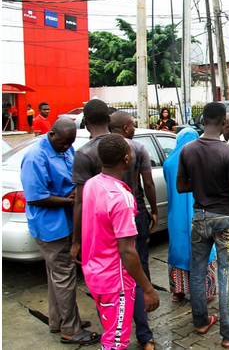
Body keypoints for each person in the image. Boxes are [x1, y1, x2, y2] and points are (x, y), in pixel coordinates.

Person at [177, 102, 229, 348]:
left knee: (198, 272)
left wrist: (202, 185)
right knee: (227, 276)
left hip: (199, 217)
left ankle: (200, 322)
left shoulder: (187, 149)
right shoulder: (228, 152)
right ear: (223, 123)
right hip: (225, 219)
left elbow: (182, 187)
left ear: (203, 121)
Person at [20, 118, 100, 346]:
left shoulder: (66, 148)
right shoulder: (36, 157)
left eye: (70, 144)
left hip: (64, 221)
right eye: (64, 143)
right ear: (52, 134)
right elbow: (36, 196)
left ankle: (59, 320)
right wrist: (68, 200)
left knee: (57, 277)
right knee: (64, 277)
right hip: (50, 226)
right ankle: (70, 329)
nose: (67, 148)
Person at [81, 134, 160, 350]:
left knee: (111, 331)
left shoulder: (91, 184)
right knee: (116, 341)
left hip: (95, 273)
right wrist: (148, 289)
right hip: (116, 283)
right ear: (127, 159)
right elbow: (127, 252)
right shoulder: (120, 198)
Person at [110, 111, 158, 350]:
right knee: (139, 264)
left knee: (115, 267)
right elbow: (147, 182)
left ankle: (117, 327)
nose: (135, 128)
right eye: (132, 125)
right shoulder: (137, 148)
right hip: (134, 208)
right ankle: (144, 309)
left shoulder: (93, 150)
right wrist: (153, 209)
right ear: (126, 128)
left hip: (107, 215)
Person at [163, 128, 217, 303]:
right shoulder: (200, 160)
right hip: (199, 211)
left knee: (178, 249)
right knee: (202, 248)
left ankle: (178, 291)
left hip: (176, 216)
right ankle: (205, 291)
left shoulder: (169, 162)